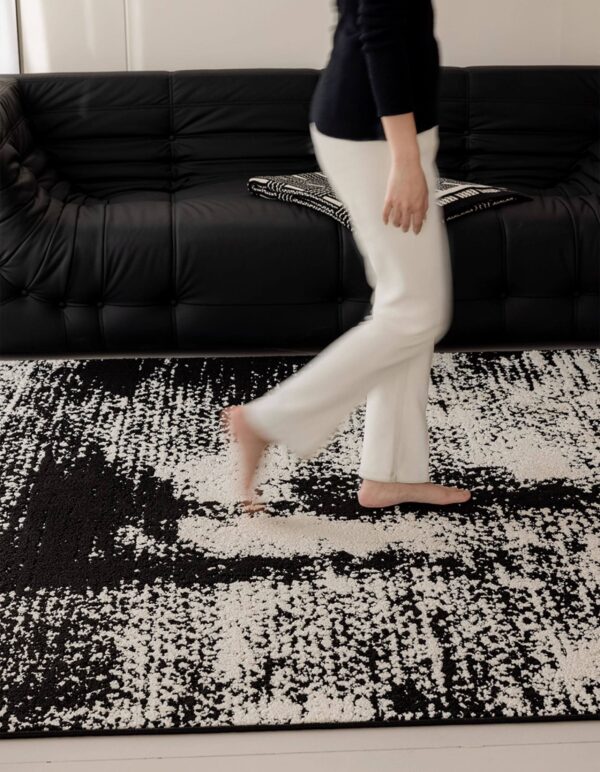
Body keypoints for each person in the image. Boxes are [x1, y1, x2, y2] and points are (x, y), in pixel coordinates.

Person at [221, 0, 472, 512]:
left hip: (385, 127)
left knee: (406, 306)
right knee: (416, 311)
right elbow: (378, 27)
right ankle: (266, 419)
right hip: (376, 135)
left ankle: (391, 475)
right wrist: (405, 158)